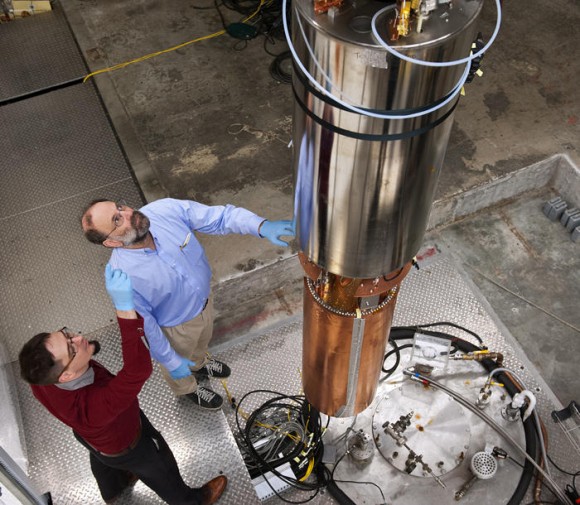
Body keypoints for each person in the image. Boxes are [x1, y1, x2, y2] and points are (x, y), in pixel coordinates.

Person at [18, 266, 228, 505]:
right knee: (163, 470)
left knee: (102, 460)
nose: (77, 337)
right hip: (131, 444)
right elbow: (136, 371)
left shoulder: (40, 381)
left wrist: (85, 350)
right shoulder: (94, 407)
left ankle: (113, 491)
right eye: (71, 348)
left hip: (94, 440)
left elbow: (89, 353)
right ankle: (193, 501)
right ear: (65, 376)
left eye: (66, 334)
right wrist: (125, 308)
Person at [81, 198, 294, 410]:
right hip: (176, 328)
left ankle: (200, 363)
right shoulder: (122, 276)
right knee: (178, 362)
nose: (129, 213)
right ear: (111, 242)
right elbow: (147, 326)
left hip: (205, 300)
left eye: (121, 206)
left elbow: (220, 218)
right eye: (117, 220)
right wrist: (171, 361)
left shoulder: (164, 211)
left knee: (202, 342)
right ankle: (187, 388)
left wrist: (259, 225)